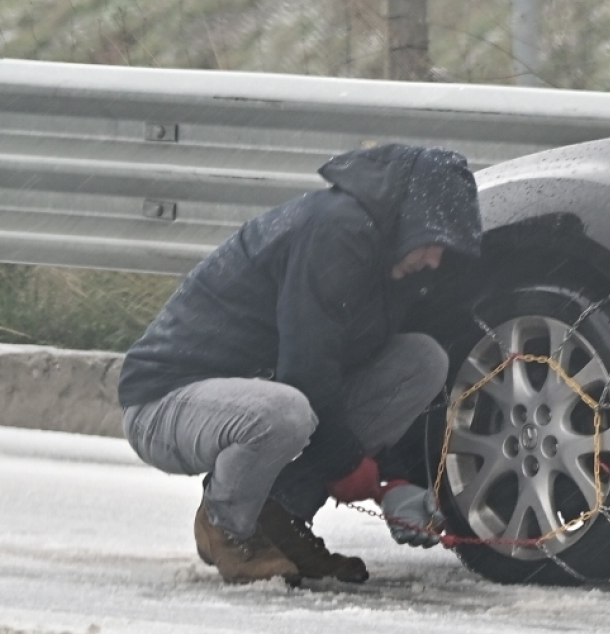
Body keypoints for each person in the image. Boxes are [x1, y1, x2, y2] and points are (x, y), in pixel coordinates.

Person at [117, 144, 482, 584]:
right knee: (284, 412)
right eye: (433, 242)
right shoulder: (336, 230)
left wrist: (397, 480)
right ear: (410, 219)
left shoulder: (391, 261)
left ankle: (278, 517)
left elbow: (347, 373)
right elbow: (308, 369)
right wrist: (353, 469)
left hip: (257, 392)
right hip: (166, 401)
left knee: (421, 360)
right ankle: (226, 526)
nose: (435, 260)